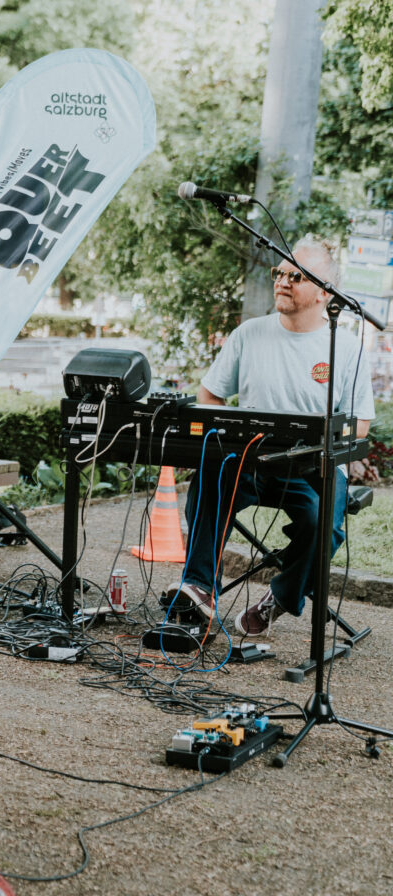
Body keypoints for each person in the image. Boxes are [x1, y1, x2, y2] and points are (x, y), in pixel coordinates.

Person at [169, 236, 374, 638]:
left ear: (324, 293)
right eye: (279, 273)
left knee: (323, 524)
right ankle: (198, 589)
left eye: (295, 276)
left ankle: (280, 597)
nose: (282, 281)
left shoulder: (345, 347)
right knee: (211, 472)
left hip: (309, 467)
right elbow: (210, 395)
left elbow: (360, 425)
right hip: (249, 460)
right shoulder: (250, 333)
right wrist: (230, 427)